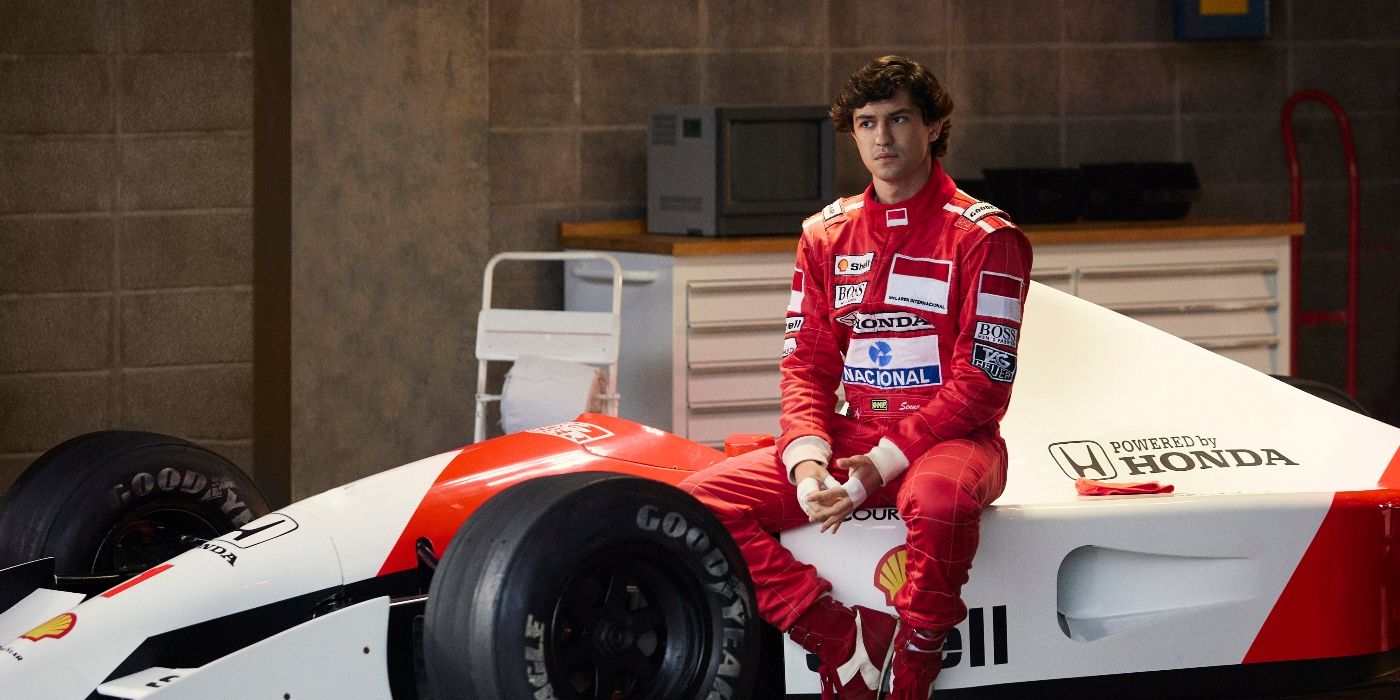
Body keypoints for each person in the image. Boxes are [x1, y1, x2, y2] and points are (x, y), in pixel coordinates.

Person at [680, 55, 1032, 699]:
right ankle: (837, 635)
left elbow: (984, 386)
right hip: (853, 435)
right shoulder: (825, 233)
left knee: (939, 501)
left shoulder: (988, 237)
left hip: (955, 443)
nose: (882, 138)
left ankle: (916, 666)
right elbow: (806, 365)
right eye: (867, 123)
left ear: (934, 126)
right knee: (701, 500)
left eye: (899, 119)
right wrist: (808, 460)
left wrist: (880, 465)